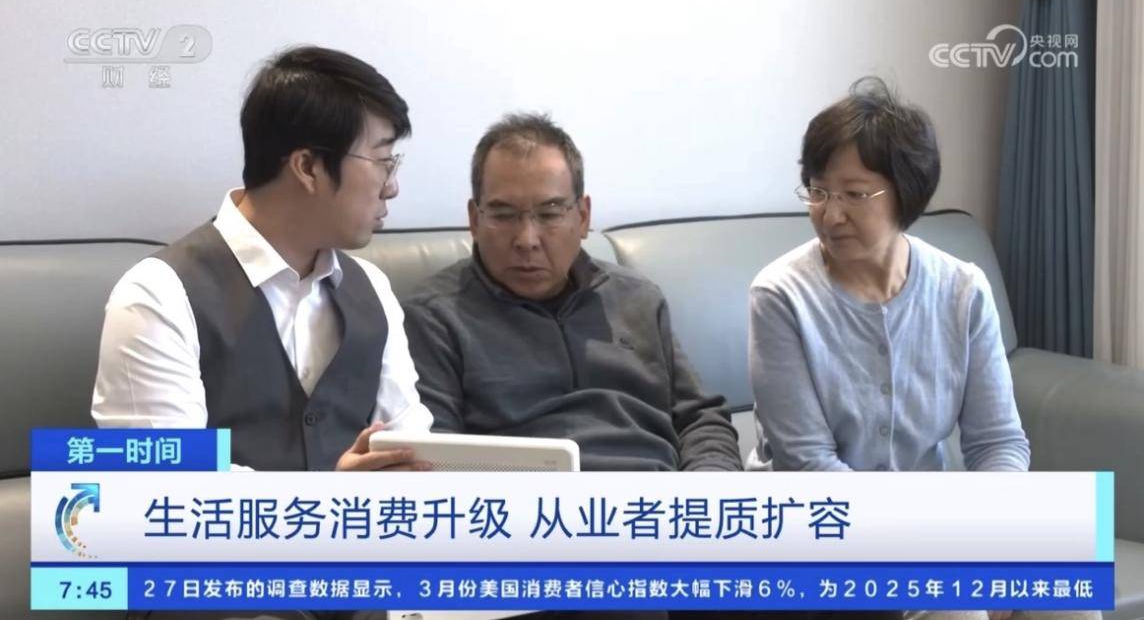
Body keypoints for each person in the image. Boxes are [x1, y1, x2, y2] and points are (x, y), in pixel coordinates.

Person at [92, 46, 432, 473]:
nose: (392, 187)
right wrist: (330, 499)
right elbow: (162, 483)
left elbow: (411, 447)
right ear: (307, 167)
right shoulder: (157, 297)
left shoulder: (372, 288)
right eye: (383, 161)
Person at [403, 112, 742, 473]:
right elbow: (433, 456)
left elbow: (701, 419)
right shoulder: (434, 317)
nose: (527, 240)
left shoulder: (638, 298)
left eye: (549, 214)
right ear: (474, 219)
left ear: (582, 217)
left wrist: (709, 482)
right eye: (503, 215)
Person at [748, 76, 1030, 474]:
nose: (831, 215)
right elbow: (808, 462)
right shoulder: (781, 295)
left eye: (855, 194)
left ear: (906, 192)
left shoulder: (963, 292)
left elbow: (998, 441)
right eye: (818, 191)